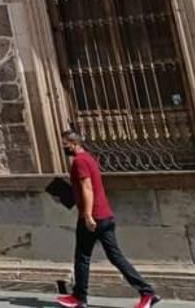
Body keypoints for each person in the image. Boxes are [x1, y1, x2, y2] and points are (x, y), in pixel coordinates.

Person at [57, 131, 160, 308]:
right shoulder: (90, 158)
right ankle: (147, 292)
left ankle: (79, 297)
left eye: (65, 144)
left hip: (93, 217)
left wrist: (88, 215)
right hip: (105, 215)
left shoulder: (80, 161)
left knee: (82, 257)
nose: (63, 147)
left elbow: (87, 188)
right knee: (116, 257)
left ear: (74, 143)